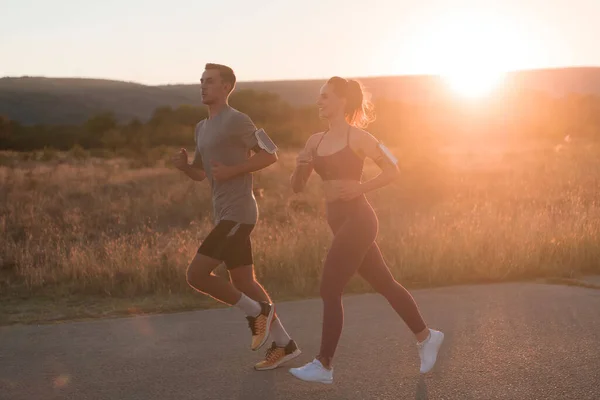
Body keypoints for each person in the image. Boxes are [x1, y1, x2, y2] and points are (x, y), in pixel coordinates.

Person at [288, 77, 444, 384]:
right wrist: (299, 165)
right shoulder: (314, 141)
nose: (320, 101)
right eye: (319, 96)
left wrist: (361, 186)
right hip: (338, 220)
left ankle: (324, 364)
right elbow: (296, 187)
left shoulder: (358, 138)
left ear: (342, 101)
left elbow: (393, 169)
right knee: (385, 283)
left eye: (326, 96)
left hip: (360, 219)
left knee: (329, 288)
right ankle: (427, 336)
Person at [171, 63, 301, 370]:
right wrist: (184, 167)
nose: (203, 86)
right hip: (224, 214)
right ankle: (285, 344)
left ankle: (255, 313)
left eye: (210, 82)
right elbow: (202, 174)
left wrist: (233, 171)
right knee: (243, 280)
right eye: (201, 81)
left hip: (240, 212)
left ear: (227, 86)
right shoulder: (202, 128)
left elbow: (270, 154)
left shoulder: (237, 120)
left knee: (197, 276)